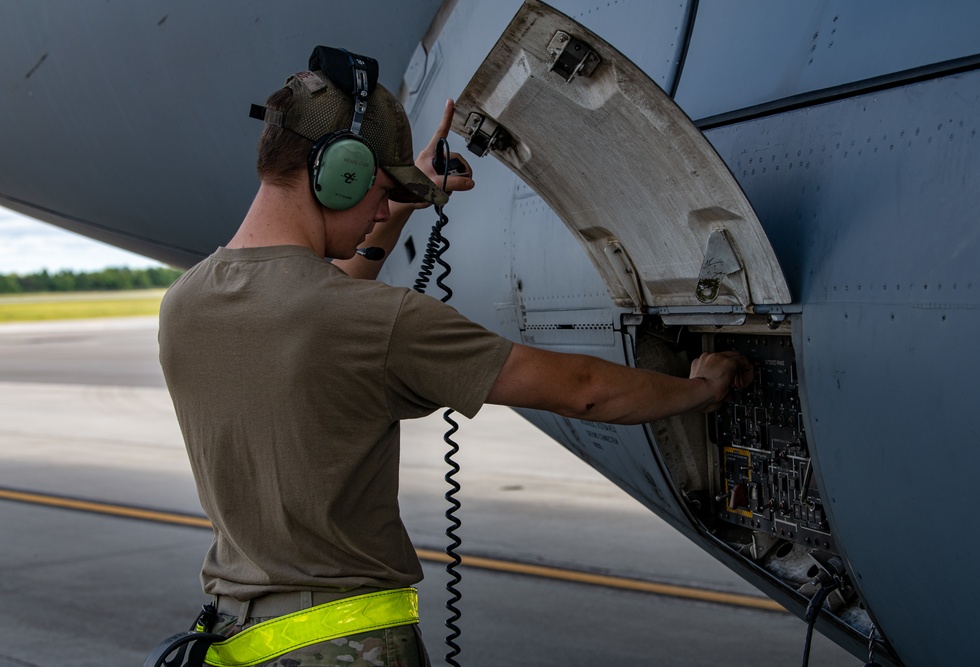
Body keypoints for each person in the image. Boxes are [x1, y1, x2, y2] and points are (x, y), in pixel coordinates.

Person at [157, 47, 752, 667]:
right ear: (342, 174)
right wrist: (700, 390)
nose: (382, 212)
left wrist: (408, 197)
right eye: (380, 192)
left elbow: (314, 315)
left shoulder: (186, 304)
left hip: (235, 643)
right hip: (344, 648)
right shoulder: (371, 324)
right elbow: (584, 390)